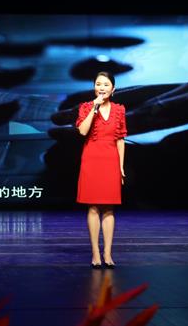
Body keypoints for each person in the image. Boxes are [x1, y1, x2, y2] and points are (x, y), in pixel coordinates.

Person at [76, 71, 127, 269]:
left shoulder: (119, 110)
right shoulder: (86, 107)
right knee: (93, 207)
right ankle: (95, 253)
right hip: (91, 160)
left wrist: (120, 166)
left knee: (109, 208)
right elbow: (82, 131)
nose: (102, 88)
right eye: (98, 84)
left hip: (111, 161)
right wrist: (94, 108)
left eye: (106, 84)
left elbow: (120, 139)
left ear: (113, 89)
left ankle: (107, 253)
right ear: (94, 87)